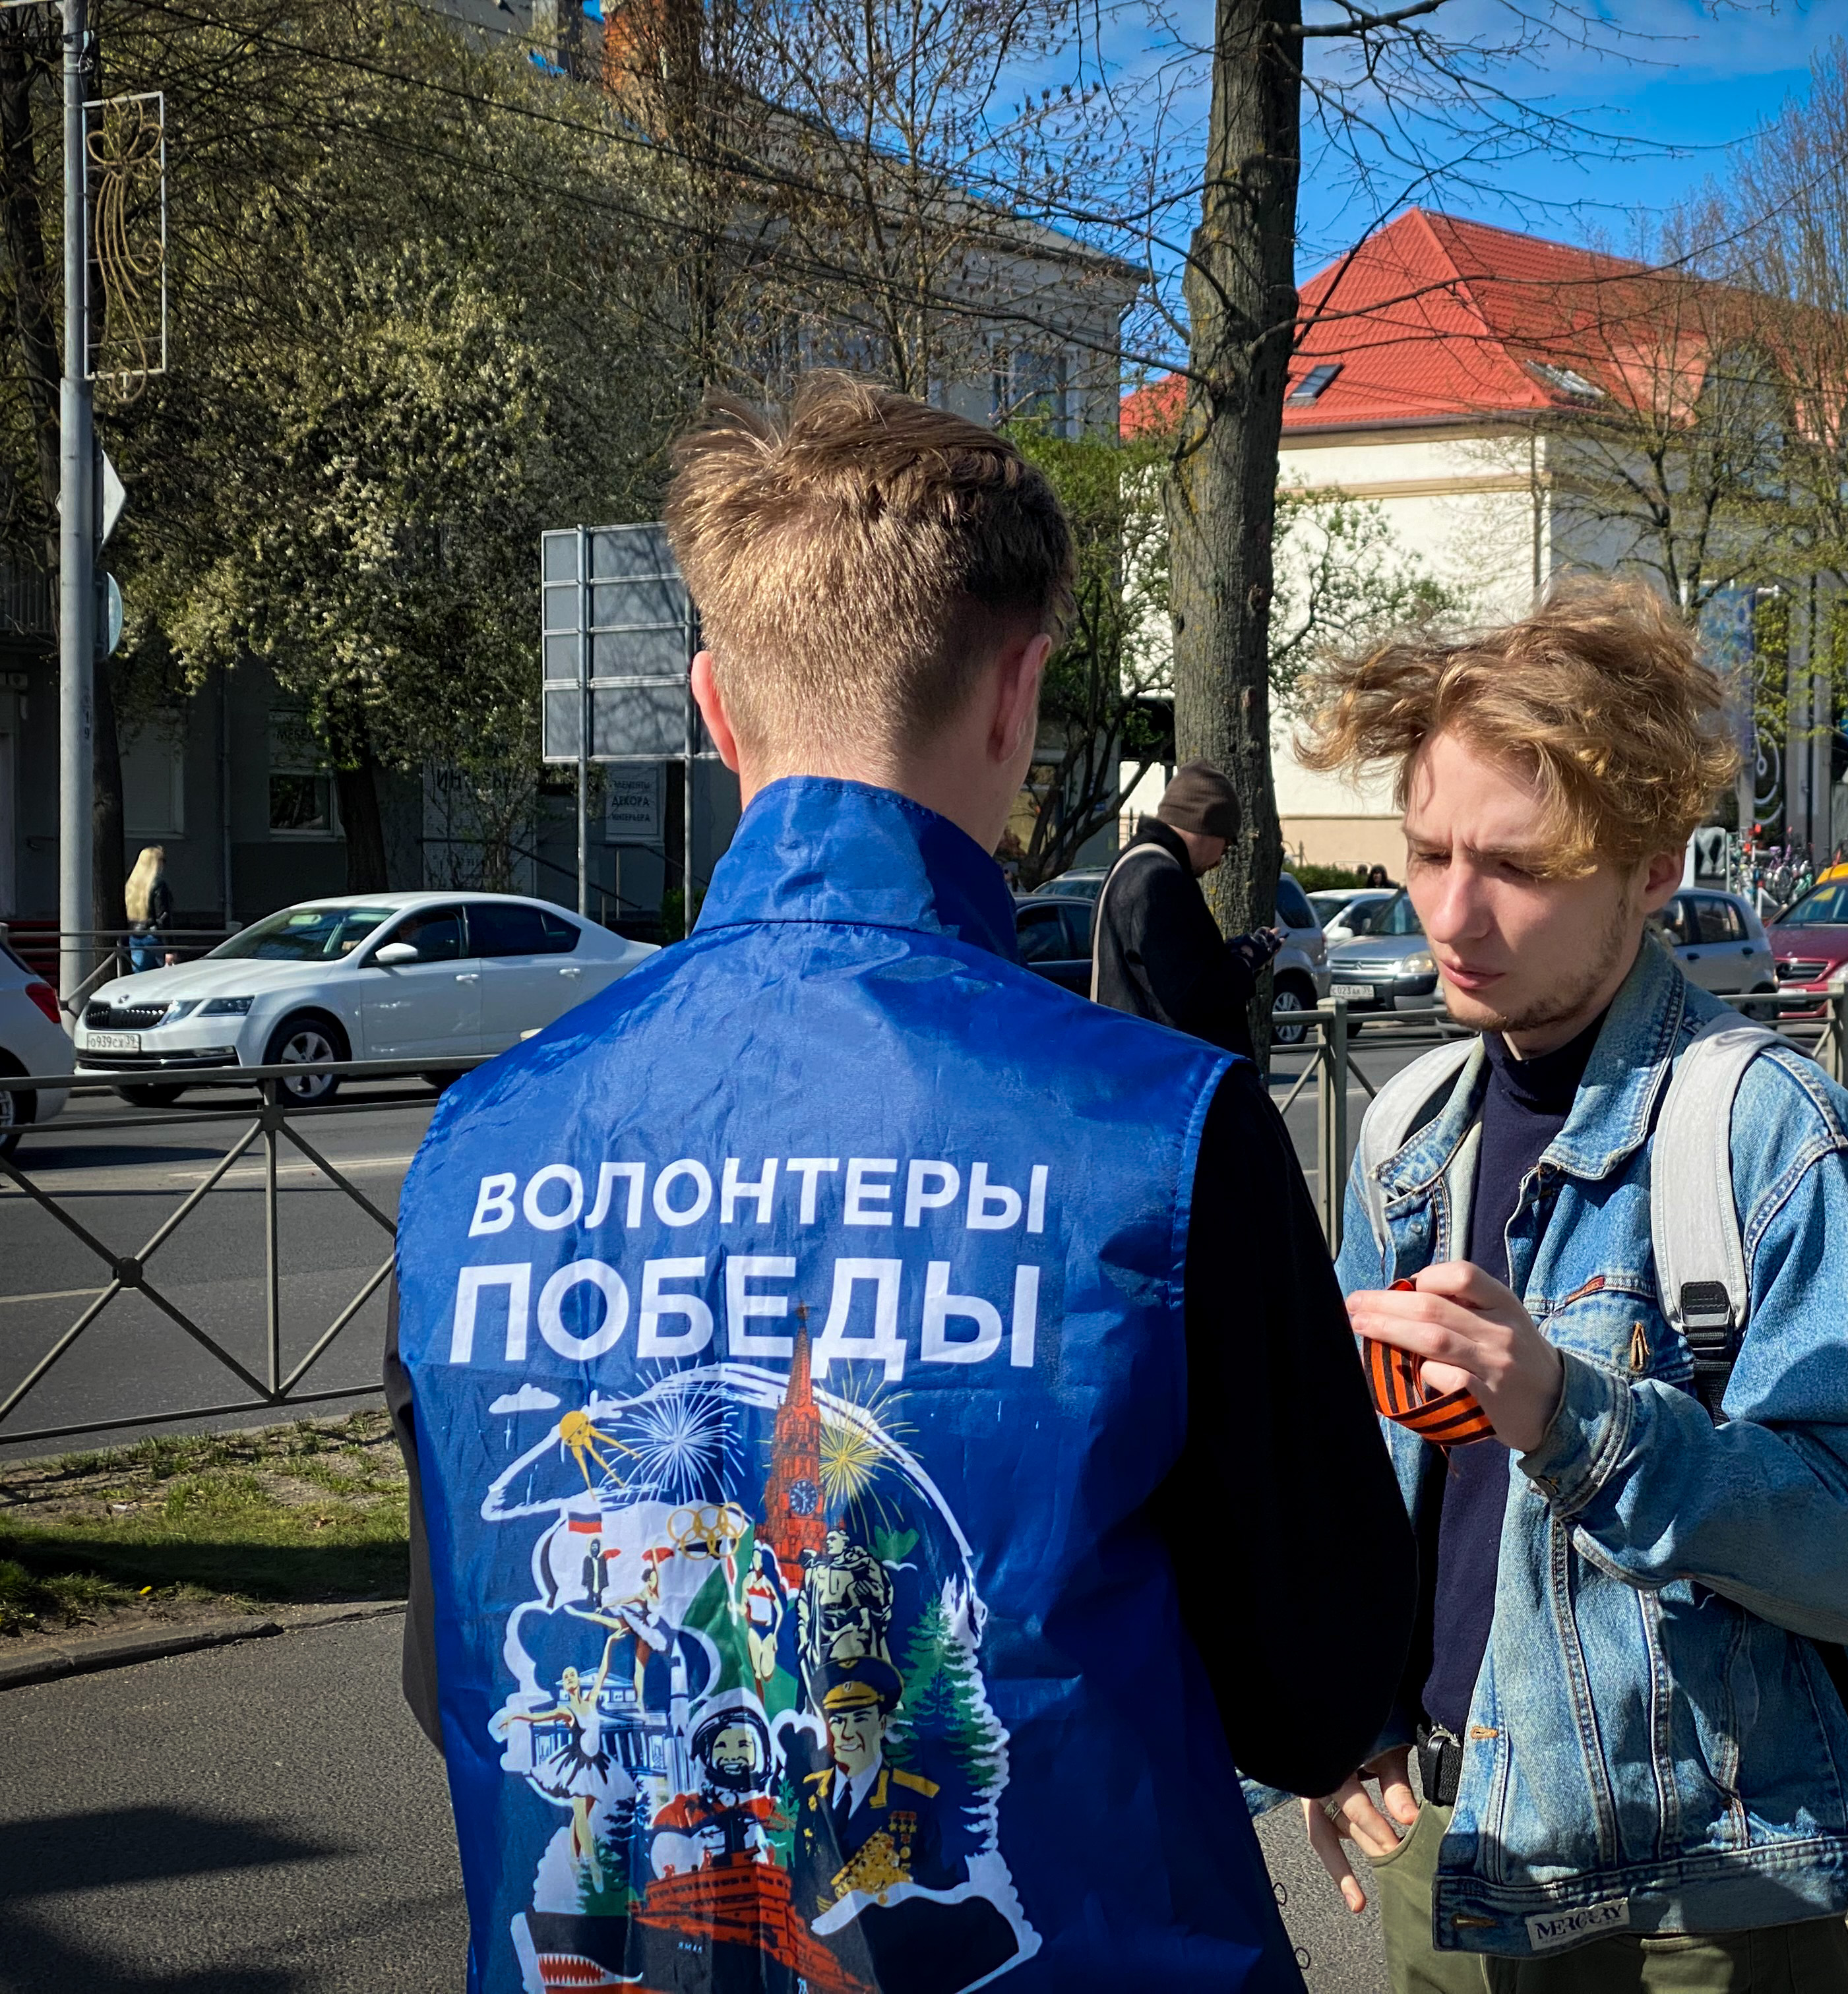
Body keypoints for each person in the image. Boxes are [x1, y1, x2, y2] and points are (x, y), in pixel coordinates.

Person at [386, 375, 1414, 1993]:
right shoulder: (1160, 1128)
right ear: (1017, 695)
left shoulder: (480, 1142)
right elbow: (1319, 1677)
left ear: (717, 709)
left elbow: (440, 1647)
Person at [1293, 578, 1848, 1992]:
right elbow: (1364, 1486)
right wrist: (1339, 1726)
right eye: (1426, 854)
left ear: (1655, 864)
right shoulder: (1409, 1132)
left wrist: (1574, 1418)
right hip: (1446, 1857)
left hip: (1695, 1901)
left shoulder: (1784, 1139)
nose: (1452, 916)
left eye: (1518, 869)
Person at [1091, 760, 1281, 1061]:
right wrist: (1245, 962)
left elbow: (1168, 973)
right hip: (1168, 1080)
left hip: (1130, 1064)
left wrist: (1229, 955)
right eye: (1227, 844)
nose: (1220, 860)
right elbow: (1190, 998)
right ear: (1206, 823)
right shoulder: (1160, 878)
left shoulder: (1130, 864)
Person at [123, 845, 171, 974]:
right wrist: (170, 948)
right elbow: (163, 918)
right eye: (162, 860)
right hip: (155, 936)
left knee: (139, 973)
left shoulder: (132, 884)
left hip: (135, 934)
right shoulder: (158, 884)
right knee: (164, 975)